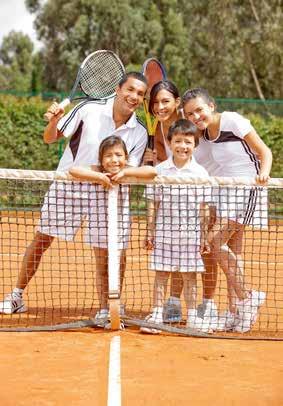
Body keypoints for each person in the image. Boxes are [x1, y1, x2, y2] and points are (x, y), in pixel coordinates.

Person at [0, 72, 148, 315]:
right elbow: (49, 138)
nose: (134, 97)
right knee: (41, 240)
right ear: (118, 89)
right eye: (130, 90)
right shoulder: (88, 109)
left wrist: (106, 176)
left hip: (108, 193)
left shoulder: (139, 132)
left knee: (110, 252)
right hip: (68, 187)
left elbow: (130, 171)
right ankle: (16, 296)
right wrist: (53, 121)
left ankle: (109, 307)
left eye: (140, 94)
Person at [182, 87, 272, 332]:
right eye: (190, 114)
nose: (196, 116)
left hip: (247, 187)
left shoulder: (232, 120)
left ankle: (247, 297)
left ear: (211, 105)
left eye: (199, 110)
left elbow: (264, 151)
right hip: (226, 190)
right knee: (232, 250)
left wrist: (263, 173)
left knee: (213, 242)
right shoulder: (205, 135)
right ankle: (236, 312)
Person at [69, 135, 156, 325]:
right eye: (108, 155)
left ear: (125, 157)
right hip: (97, 227)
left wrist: (124, 174)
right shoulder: (95, 171)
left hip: (121, 229)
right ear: (100, 159)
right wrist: (99, 177)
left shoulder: (127, 171)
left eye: (118, 155)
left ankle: (115, 303)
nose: (114, 160)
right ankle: (102, 307)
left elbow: (151, 171)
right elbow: (73, 169)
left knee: (119, 265)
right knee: (101, 267)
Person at [141, 119, 213, 334]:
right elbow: (153, 203)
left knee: (190, 277)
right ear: (170, 143)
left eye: (188, 142)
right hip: (164, 235)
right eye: (178, 141)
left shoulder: (201, 174)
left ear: (195, 145)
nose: (183, 146)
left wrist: (204, 236)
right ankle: (156, 314)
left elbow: (204, 208)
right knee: (161, 275)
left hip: (190, 237)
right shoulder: (160, 170)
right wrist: (150, 231)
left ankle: (192, 316)